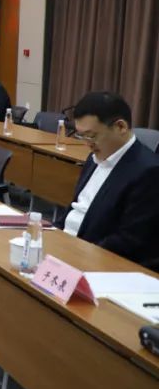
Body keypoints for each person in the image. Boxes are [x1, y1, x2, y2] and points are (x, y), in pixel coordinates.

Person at [55, 92, 159, 271]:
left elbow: (129, 241)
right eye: (81, 136)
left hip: (99, 262)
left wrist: (73, 255)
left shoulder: (149, 171)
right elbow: (75, 208)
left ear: (120, 127)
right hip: (66, 247)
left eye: (91, 136)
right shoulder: (93, 159)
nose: (87, 144)